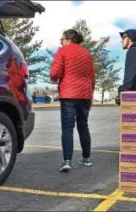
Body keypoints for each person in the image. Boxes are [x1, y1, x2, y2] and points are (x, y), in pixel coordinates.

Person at [50, 29, 95, 172]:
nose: (60, 42)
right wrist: (91, 95)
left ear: (69, 39)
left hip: (68, 94)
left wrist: (53, 78)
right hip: (84, 95)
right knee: (83, 126)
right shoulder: (87, 53)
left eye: (62, 39)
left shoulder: (62, 51)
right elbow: (92, 77)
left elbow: (55, 73)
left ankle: (67, 161)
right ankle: (86, 158)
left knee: (67, 128)